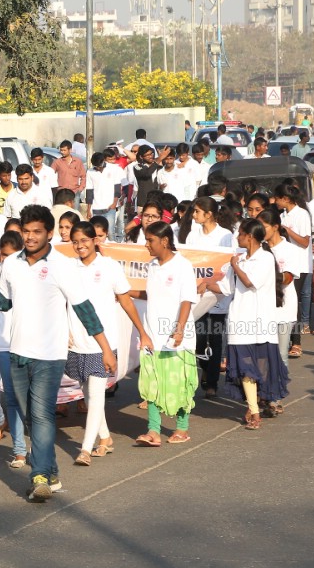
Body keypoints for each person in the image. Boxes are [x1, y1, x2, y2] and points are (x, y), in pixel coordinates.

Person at [0, 205, 116, 502]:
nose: (30, 237)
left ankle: (38, 476)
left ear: (49, 233)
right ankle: (50, 472)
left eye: (37, 231)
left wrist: (104, 348)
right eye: (25, 231)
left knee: (40, 413)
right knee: (29, 416)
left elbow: (84, 309)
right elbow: (5, 304)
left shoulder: (62, 266)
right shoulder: (10, 264)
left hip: (50, 355)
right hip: (17, 352)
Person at [68, 222, 151, 465]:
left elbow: (126, 302)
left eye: (84, 240)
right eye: (75, 241)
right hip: (76, 342)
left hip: (102, 343)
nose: (80, 245)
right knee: (86, 392)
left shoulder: (109, 266)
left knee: (95, 394)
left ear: (95, 240)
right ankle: (105, 438)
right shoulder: (67, 268)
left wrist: (142, 332)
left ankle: (85, 449)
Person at [202, 219, 290, 429]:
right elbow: (225, 288)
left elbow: (250, 282)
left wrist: (235, 265)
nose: (237, 237)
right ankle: (254, 410)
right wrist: (205, 285)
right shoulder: (239, 259)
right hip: (239, 320)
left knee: (262, 366)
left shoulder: (266, 258)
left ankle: (259, 403)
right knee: (245, 367)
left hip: (260, 322)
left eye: (240, 234)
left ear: (250, 236)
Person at [130, 223, 198, 446]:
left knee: (179, 383)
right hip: (152, 336)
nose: (146, 244)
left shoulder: (183, 266)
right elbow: (150, 295)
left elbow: (186, 299)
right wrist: (123, 291)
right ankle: (153, 431)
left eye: (150, 240)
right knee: (152, 383)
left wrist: (178, 329)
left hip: (177, 337)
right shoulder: (152, 266)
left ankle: (182, 428)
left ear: (165, 241)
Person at [178, 197, 234, 398]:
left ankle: (211, 382)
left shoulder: (226, 235)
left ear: (209, 214)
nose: (194, 215)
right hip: (198, 293)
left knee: (216, 337)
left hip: (217, 293)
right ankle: (204, 367)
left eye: (197, 211)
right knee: (199, 337)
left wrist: (213, 284)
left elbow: (228, 263)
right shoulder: (193, 235)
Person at [0, 231, 28, 469]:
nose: (6, 260)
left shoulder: (28, 272)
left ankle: (38, 449)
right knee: (12, 397)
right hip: (1, 344)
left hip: (25, 343)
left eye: (11, 255)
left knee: (27, 398)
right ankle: (19, 450)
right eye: (3, 255)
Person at [258, 209, 303, 376]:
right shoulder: (257, 249)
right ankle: (264, 392)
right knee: (262, 356)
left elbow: (288, 278)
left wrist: (269, 275)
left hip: (284, 308)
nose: (260, 231)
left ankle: (277, 393)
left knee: (281, 354)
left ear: (275, 227)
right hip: (262, 308)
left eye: (264, 226)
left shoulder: (290, 250)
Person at [274, 184, 314, 356]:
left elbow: (305, 242)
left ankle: (296, 342)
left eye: (277, 198)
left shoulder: (302, 214)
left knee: (293, 301)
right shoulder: (283, 215)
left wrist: (287, 231)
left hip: (300, 263)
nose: (275, 201)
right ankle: (286, 339)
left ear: (286, 199)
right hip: (285, 262)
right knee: (284, 300)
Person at [87, 151, 121, 230]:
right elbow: (89, 191)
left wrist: (114, 203)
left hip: (109, 207)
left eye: (100, 165)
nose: (98, 168)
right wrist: (88, 209)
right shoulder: (90, 172)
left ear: (104, 161)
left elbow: (117, 187)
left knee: (110, 232)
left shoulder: (113, 168)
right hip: (96, 208)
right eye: (96, 166)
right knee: (96, 232)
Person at [54, 139, 86, 204]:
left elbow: (83, 176)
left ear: (70, 150)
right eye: (61, 150)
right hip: (62, 193)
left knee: (74, 212)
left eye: (64, 150)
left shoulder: (77, 162)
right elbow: (50, 174)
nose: (62, 152)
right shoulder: (57, 162)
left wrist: (80, 189)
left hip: (74, 192)